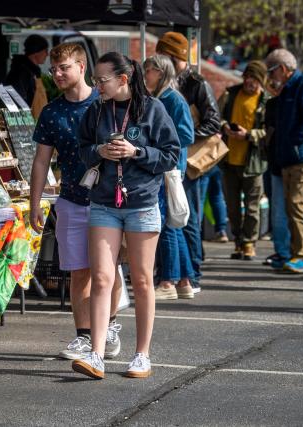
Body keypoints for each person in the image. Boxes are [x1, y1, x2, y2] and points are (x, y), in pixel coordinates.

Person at [75, 52, 180, 379]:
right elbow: (81, 150)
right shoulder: (96, 110)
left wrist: (137, 152)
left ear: (123, 79)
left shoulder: (153, 109)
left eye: (101, 80)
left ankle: (142, 355)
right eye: (94, 80)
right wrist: (99, 152)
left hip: (142, 205)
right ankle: (96, 354)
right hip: (105, 203)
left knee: (144, 280)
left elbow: (171, 154)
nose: (97, 86)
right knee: (102, 277)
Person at [29, 43, 123, 361]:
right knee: (79, 271)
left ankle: (108, 326)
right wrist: (34, 203)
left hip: (110, 200)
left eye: (64, 67)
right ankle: (84, 336)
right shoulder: (52, 112)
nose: (56, 74)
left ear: (82, 67)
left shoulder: (107, 102)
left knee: (109, 270)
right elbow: (41, 162)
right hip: (71, 199)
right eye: (53, 69)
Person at [156, 31, 221, 293]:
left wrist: (188, 135)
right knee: (178, 219)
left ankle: (192, 276)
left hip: (193, 161)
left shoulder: (196, 83)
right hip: (177, 159)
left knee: (187, 218)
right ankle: (182, 276)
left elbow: (214, 121)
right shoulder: (166, 83)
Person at [142, 54, 195, 301]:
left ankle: (168, 281)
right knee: (172, 224)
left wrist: (161, 142)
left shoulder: (172, 99)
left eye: (148, 70)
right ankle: (184, 280)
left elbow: (186, 134)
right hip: (166, 168)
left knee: (166, 225)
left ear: (161, 72)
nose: (145, 75)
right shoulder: (161, 98)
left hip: (169, 169)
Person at [264, 49, 303, 273]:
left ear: (282, 68)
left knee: (298, 205)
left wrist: (293, 143)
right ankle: (295, 253)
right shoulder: (289, 87)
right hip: (291, 158)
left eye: (272, 71)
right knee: (292, 206)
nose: (270, 76)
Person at [218, 61, 268, 260]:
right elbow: (216, 116)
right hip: (229, 161)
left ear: (261, 81)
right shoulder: (231, 94)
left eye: (255, 79)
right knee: (232, 206)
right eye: (248, 77)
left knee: (252, 207)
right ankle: (238, 241)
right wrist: (225, 128)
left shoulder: (266, 100)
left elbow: (269, 130)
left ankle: (249, 242)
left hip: (253, 163)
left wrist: (249, 135)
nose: (250, 82)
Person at [4, 34, 49, 119]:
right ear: (36, 52)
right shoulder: (20, 72)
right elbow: (18, 100)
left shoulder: (34, 71)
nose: (47, 54)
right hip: (27, 122)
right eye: (45, 51)